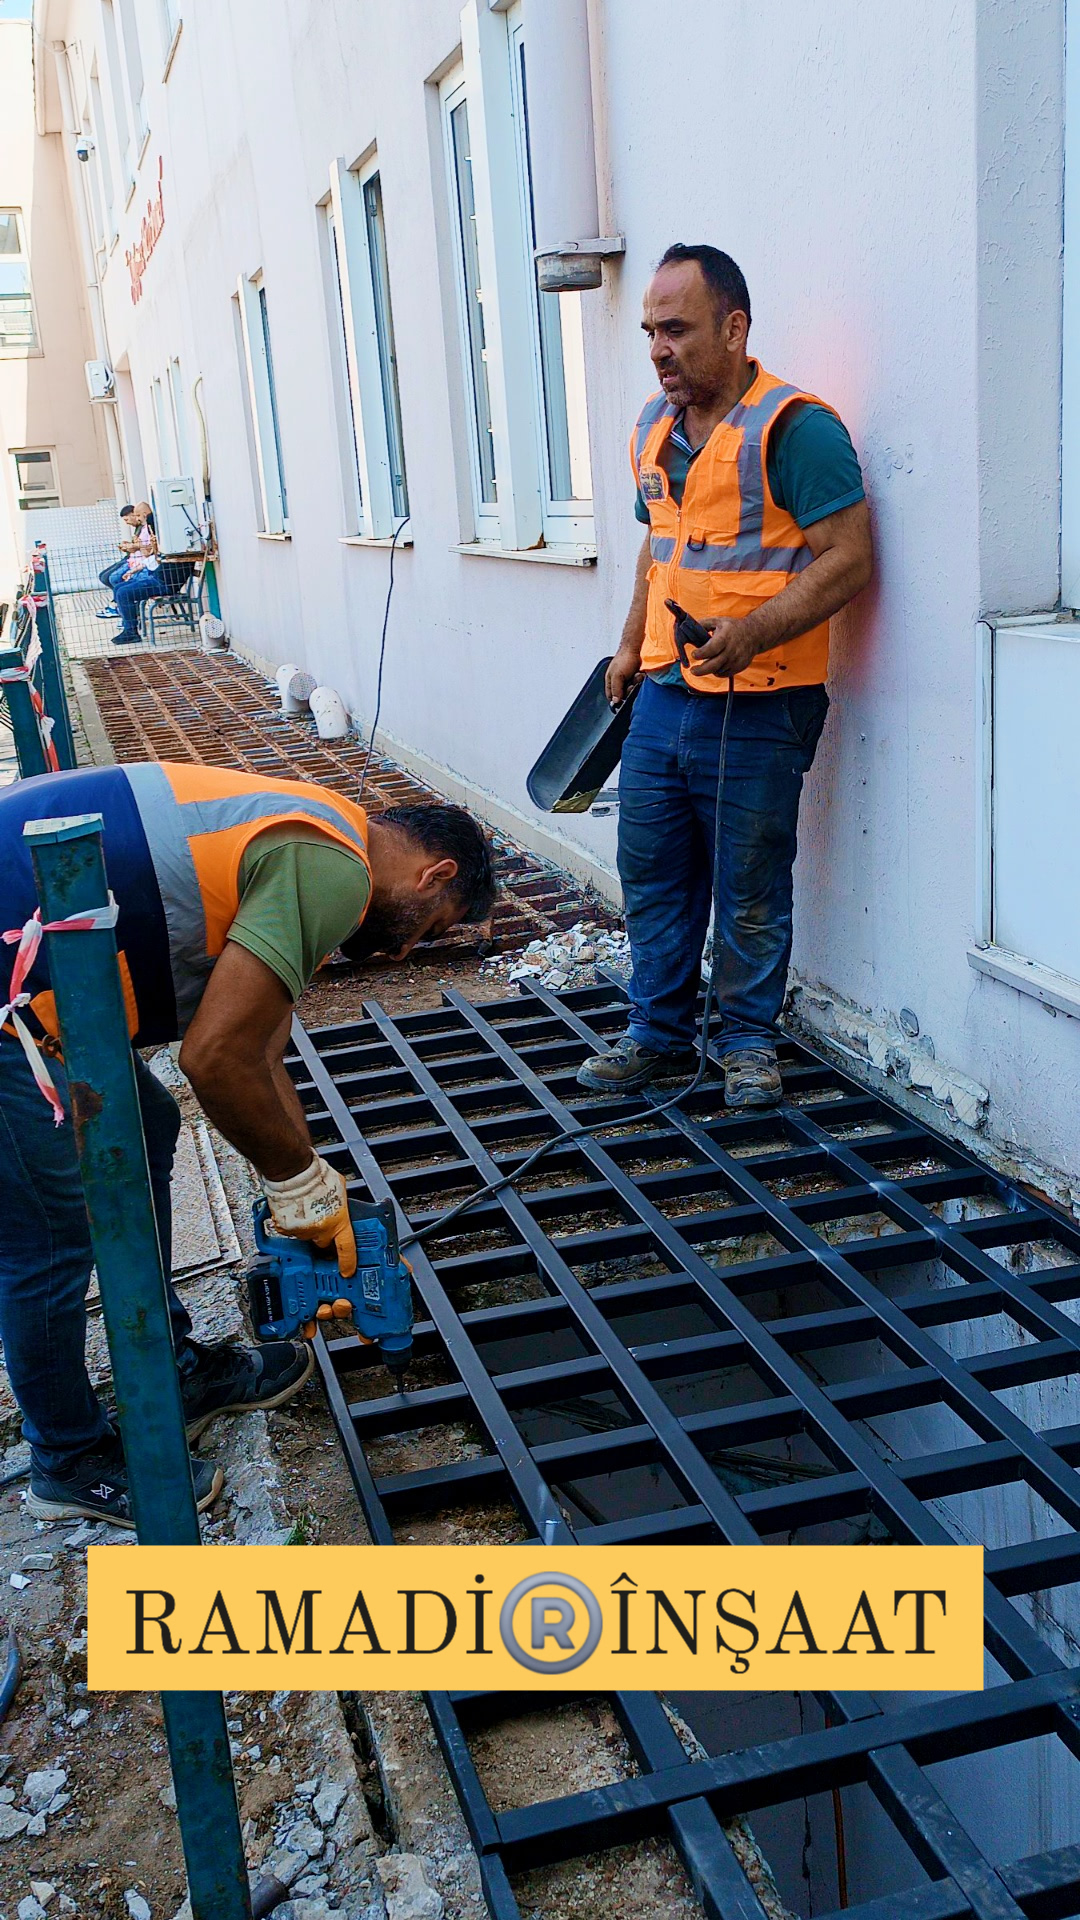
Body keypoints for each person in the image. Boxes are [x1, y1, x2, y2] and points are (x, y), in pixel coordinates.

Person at [0, 762, 496, 1524]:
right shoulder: (335, 870)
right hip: (10, 989)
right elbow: (214, 1057)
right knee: (51, 1232)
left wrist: (311, 1183)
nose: (402, 956)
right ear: (436, 875)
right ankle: (65, 1461)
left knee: (149, 1126)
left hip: (39, 972)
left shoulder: (320, 831)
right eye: (428, 931)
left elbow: (262, 1049)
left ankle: (168, 1367)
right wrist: (293, 1180)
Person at [577, 244, 873, 1109]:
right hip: (666, 696)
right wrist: (629, 647)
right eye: (650, 332)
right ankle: (657, 1037)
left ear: (734, 328)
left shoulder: (798, 430)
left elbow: (850, 560)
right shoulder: (654, 428)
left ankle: (747, 1044)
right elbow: (656, 549)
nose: (660, 349)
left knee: (749, 878)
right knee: (654, 869)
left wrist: (751, 633)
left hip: (763, 698)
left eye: (677, 329)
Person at [96, 501, 157, 621]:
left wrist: (135, 546)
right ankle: (123, 609)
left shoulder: (149, 528)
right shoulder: (141, 528)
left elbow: (147, 551)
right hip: (135, 560)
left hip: (141, 562)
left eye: (137, 516)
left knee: (116, 581)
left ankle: (125, 611)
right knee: (107, 577)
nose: (136, 519)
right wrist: (131, 545)